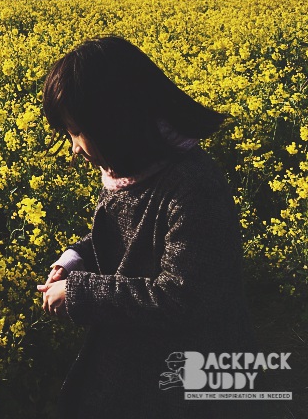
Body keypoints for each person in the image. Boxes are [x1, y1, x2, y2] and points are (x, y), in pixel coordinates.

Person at [36, 36, 258, 418]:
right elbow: (125, 237)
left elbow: (181, 299)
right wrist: (73, 259)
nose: (73, 148)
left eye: (75, 131)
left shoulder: (192, 186)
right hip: (138, 361)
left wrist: (80, 293)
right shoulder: (128, 167)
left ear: (113, 121)